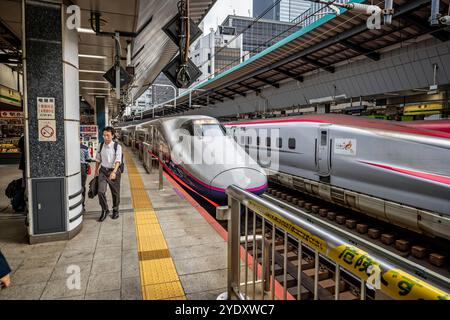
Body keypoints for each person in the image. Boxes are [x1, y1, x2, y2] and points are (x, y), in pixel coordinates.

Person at [95, 127, 123, 221]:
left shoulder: (117, 146)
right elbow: (98, 159)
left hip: (113, 171)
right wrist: (96, 170)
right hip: (103, 171)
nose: (105, 137)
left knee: (115, 193)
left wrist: (114, 172)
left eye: (108, 135)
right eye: (104, 135)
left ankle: (115, 210)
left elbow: (118, 161)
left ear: (112, 135)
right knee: (100, 191)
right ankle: (105, 209)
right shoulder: (100, 145)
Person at [80, 137, 94, 211]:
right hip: (82, 168)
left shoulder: (69, 147)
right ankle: (82, 205)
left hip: (71, 167)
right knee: (82, 186)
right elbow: (88, 158)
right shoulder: (85, 148)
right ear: (81, 140)